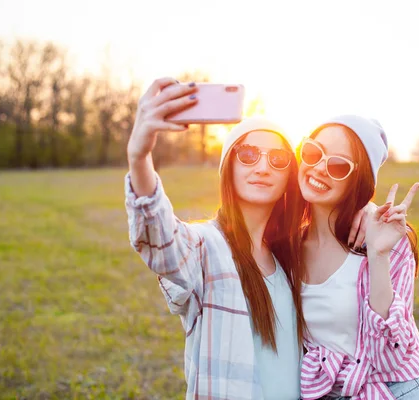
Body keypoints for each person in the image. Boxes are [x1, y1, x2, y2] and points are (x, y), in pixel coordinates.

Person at [124, 77, 306, 400]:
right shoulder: (207, 247)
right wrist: (139, 158)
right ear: (228, 167)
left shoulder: (291, 259)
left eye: (278, 159)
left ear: (288, 176)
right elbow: (163, 242)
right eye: (249, 154)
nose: (263, 166)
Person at [297, 115, 419, 399]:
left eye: (338, 165)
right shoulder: (288, 246)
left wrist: (379, 255)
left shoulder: (387, 241)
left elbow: (390, 358)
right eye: (313, 152)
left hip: (397, 390)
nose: (318, 168)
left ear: (359, 180)